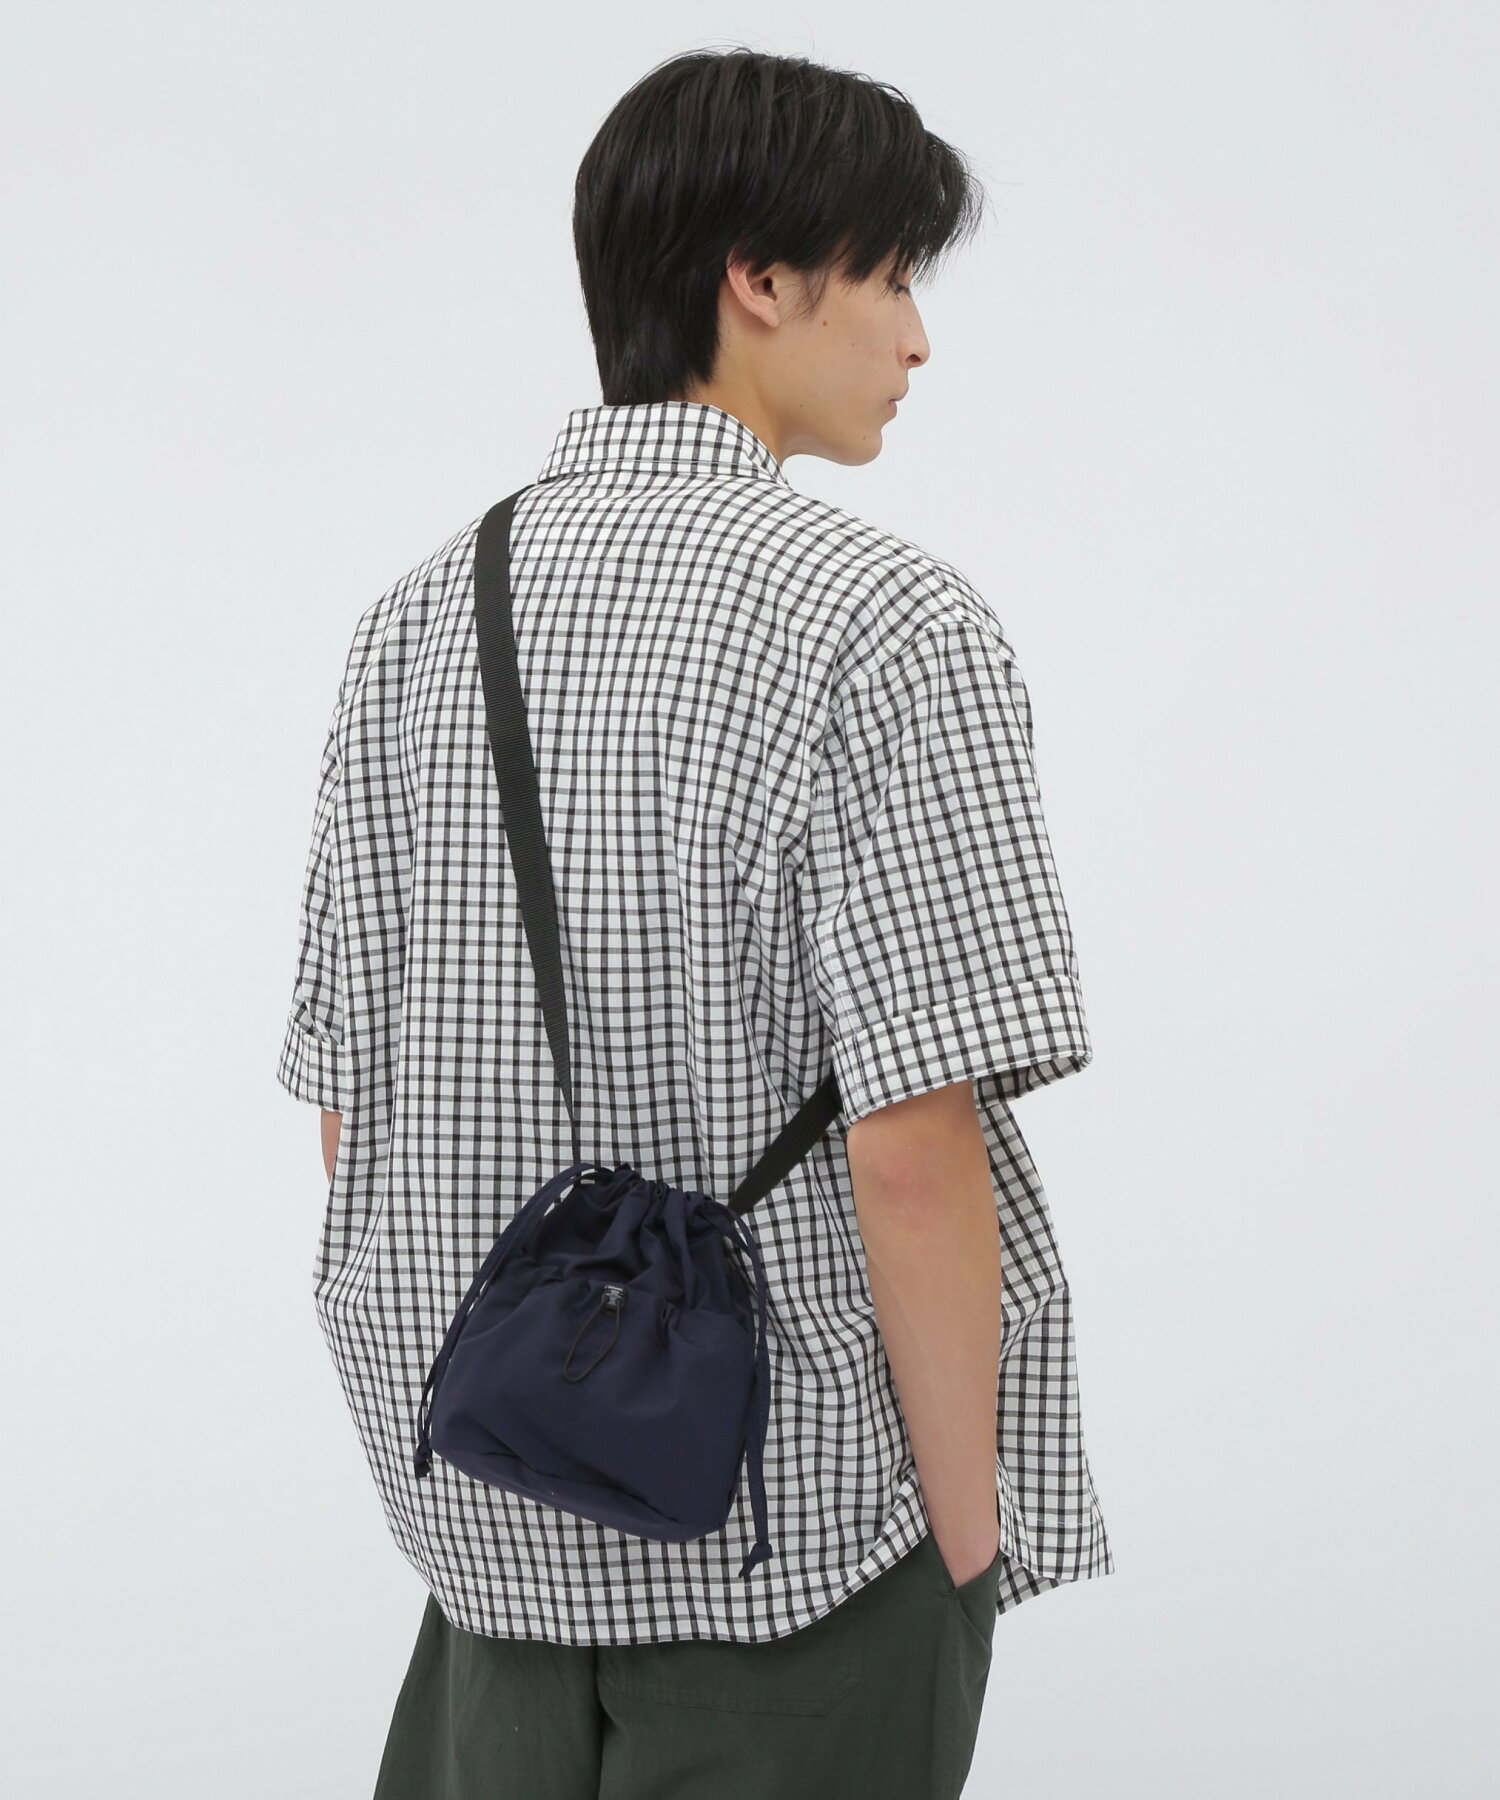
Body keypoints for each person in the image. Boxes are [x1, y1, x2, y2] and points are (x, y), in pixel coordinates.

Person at [275, 45, 1114, 1800]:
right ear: (761, 280)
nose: (917, 337)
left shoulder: (418, 618)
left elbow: (352, 1113)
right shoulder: (887, 626)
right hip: (796, 1552)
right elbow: (912, 1145)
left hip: (493, 1522)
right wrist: (965, 1553)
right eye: (892, 275)